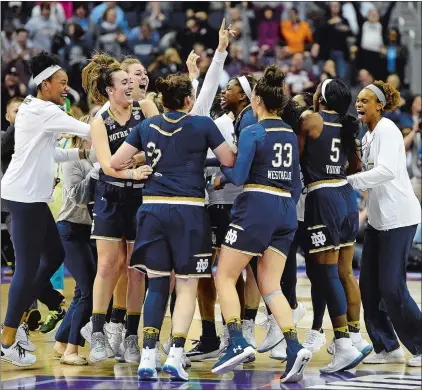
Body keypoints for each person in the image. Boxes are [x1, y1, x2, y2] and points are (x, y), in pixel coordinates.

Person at [110, 73, 235, 381]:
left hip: (151, 208)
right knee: (187, 284)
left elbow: (114, 161)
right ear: (189, 101)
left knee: (157, 284)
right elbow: (229, 160)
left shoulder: (145, 125)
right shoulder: (202, 124)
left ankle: (148, 357)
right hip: (189, 210)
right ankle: (176, 355)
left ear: (163, 101)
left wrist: (139, 166)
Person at [211, 66, 311, 384]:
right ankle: (294, 345)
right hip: (286, 209)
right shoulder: (289, 134)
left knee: (224, 276)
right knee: (270, 285)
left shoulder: (254, 130)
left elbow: (239, 177)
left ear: (256, 99)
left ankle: (237, 341)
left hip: (258, 205)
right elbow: (296, 183)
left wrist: (220, 174)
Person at [0, 51, 92, 367]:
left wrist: (82, 158)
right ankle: (7, 340)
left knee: (54, 255)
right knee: (25, 268)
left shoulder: (39, 109)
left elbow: (52, 154)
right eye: (62, 83)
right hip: (23, 198)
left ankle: (21, 321)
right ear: (45, 84)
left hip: (31, 198)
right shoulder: (43, 112)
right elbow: (90, 131)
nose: (66, 88)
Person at [81, 53, 158, 364]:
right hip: (111, 195)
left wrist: (139, 160)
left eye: (132, 81)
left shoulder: (144, 110)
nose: (132, 85)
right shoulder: (101, 120)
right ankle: (97, 332)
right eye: (125, 82)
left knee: (136, 271)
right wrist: (130, 171)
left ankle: (130, 337)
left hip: (140, 197)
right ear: (110, 89)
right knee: (108, 266)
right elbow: (106, 164)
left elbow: (156, 148)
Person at [298, 78, 371, 373]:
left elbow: (296, 158)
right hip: (345, 195)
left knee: (326, 273)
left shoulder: (310, 119)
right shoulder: (346, 124)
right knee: (345, 273)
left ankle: (342, 345)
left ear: (322, 96)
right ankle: (356, 336)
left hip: (322, 197)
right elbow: (355, 167)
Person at [349, 80, 422, 367]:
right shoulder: (367, 136)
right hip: (379, 220)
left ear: (380, 104)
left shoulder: (389, 130)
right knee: (368, 285)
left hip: (399, 218)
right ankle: (387, 347)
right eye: (358, 100)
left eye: (365, 100)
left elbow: (388, 171)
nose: (359, 104)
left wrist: (349, 181)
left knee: (392, 286)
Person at [53, 114, 97, 365]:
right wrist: (96, 172)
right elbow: (78, 197)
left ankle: (61, 340)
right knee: (88, 290)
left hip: (88, 231)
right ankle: (71, 350)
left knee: (84, 289)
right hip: (69, 229)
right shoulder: (72, 159)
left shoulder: (97, 157)